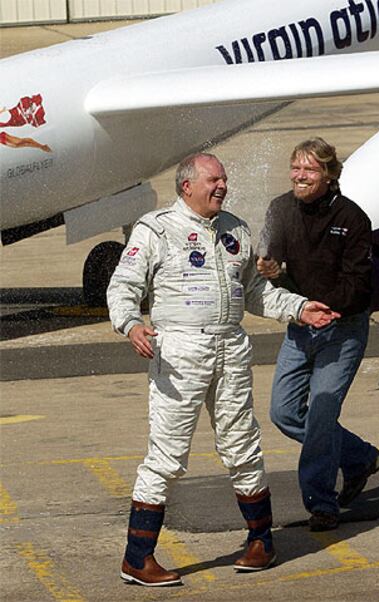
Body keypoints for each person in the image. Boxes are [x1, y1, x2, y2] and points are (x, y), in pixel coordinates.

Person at [107, 152, 339, 587]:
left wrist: (300, 308)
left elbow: (256, 292)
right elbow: (123, 286)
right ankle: (137, 558)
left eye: (225, 179)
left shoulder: (235, 229)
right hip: (178, 352)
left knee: (242, 444)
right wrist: (131, 324)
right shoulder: (155, 229)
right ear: (186, 186)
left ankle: (260, 541)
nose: (222, 186)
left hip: (230, 347)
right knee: (168, 457)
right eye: (213, 180)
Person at [256, 138, 379, 533]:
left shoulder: (353, 218)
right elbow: (273, 261)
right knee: (284, 413)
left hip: (342, 327)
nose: (299, 176)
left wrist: (324, 308)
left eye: (309, 170)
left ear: (329, 175)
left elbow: (359, 284)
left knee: (322, 415)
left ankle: (321, 504)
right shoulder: (280, 209)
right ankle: (360, 457)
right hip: (301, 326)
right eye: (295, 168)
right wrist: (271, 269)